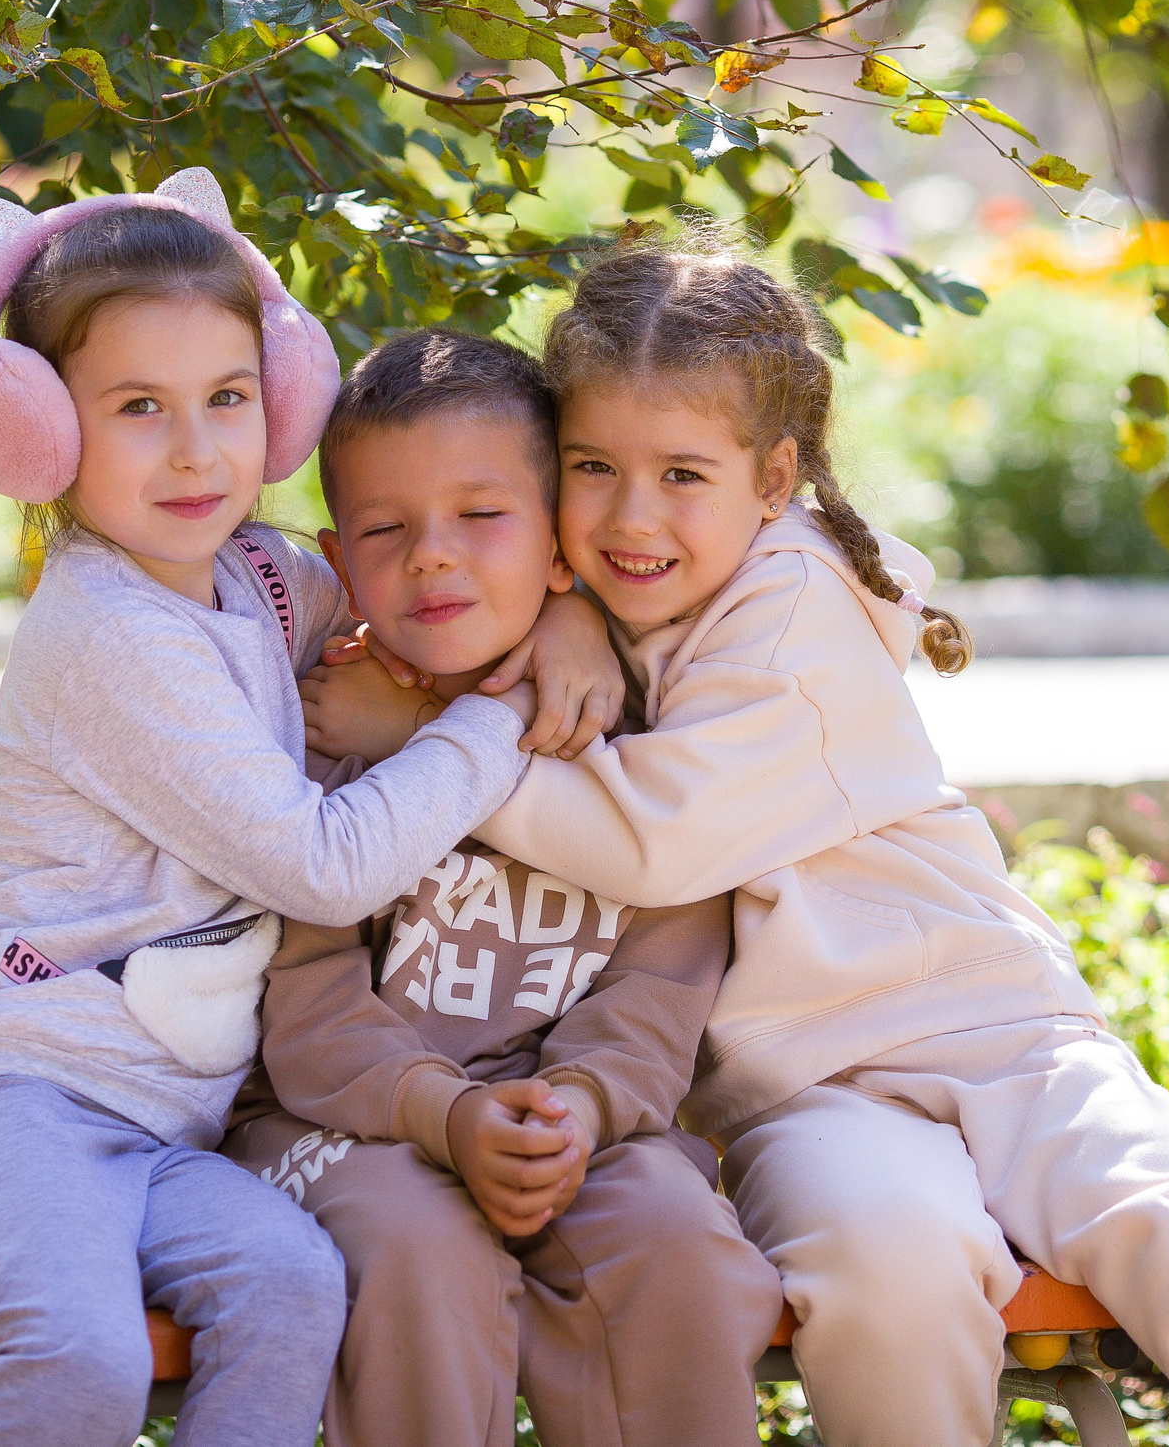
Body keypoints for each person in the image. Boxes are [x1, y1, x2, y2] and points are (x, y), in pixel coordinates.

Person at [307, 229, 1169, 1447]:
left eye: (683, 474)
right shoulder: (592, 608)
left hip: (996, 1038)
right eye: (592, 468)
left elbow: (657, 844)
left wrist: (431, 734)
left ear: (774, 478)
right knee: (885, 1271)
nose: (632, 516)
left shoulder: (796, 606)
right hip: (799, 1095)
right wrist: (569, 618)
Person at [0, 170, 610, 1447]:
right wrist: (497, 717)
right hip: (4, 1099)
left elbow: (415, 599)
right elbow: (325, 871)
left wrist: (569, 608)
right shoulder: (107, 630)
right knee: (82, 1358)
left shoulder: (258, 575)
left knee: (288, 1287)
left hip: (165, 1133)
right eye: (138, 409)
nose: (198, 449)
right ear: (41, 433)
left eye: (224, 399)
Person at [224, 329, 784, 1447]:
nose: (433, 556)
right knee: (413, 1252)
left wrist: (573, 1109)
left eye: (481, 517)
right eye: (385, 531)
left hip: (583, 1123)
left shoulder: (642, 736)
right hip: (346, 1127)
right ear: (341, 556)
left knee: (675, 1244)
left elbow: (660, 987)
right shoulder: (324, 729)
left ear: (559, 544)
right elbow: (306, 1003)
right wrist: (449, 1115)